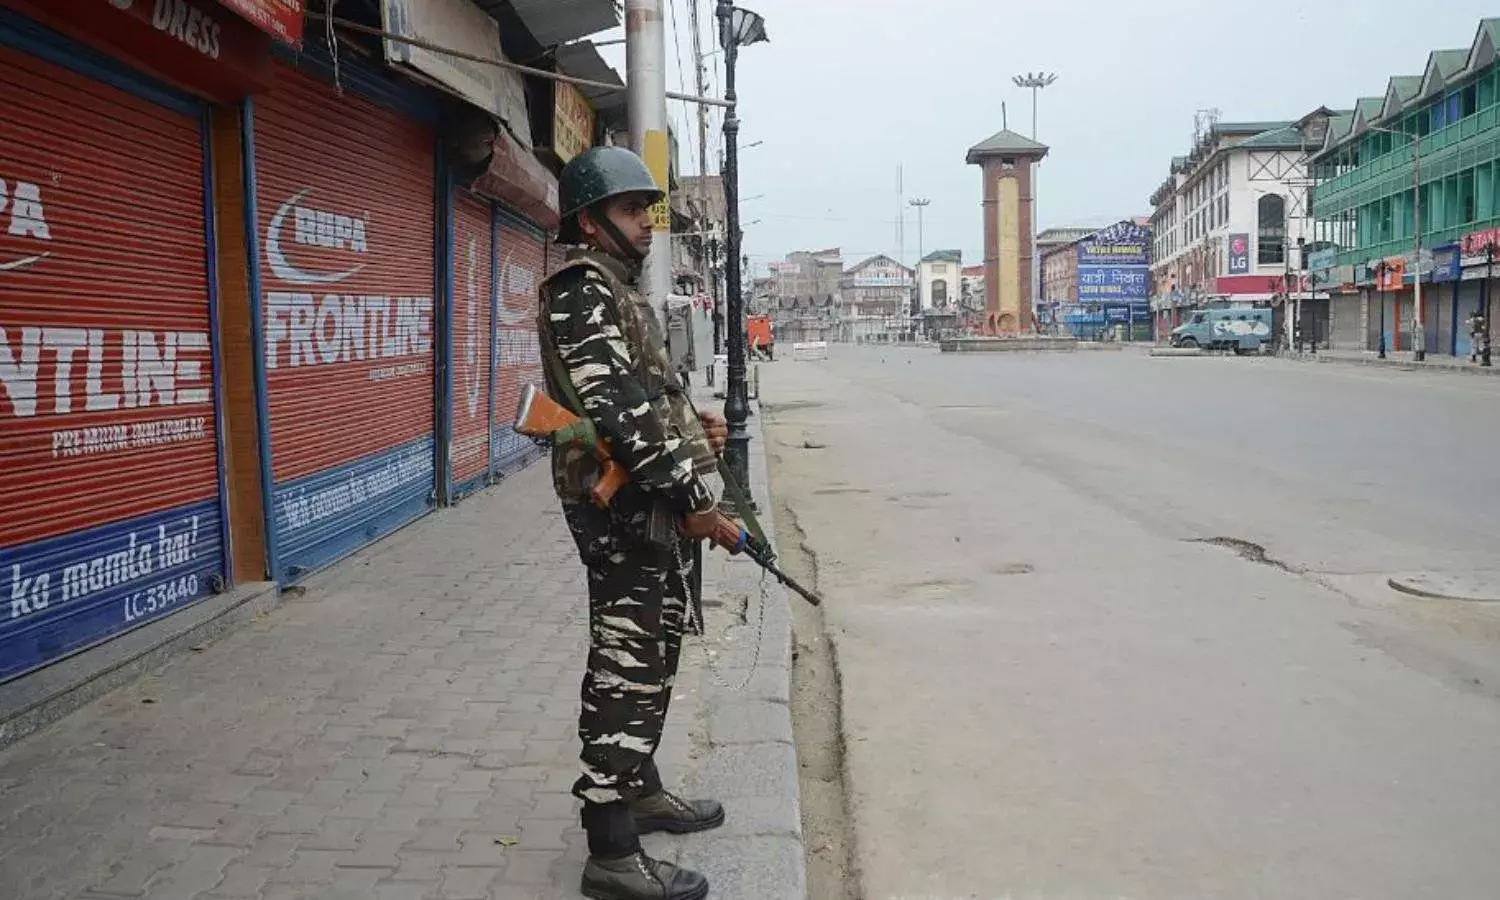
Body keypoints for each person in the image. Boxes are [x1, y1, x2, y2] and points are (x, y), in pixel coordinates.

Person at [536, 144, 743, 900]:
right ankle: (611, 850)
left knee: (655, 648)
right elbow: (621, 419)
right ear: (590, 221)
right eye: (631, 210)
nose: (647, 224)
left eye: (648, 210)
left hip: (650, 502)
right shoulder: (579, 290)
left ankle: (643, 787)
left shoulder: (614, 288)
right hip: (621, 508)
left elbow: (648, 401)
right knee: (626, 663)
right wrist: (699, 503)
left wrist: (699, 435)